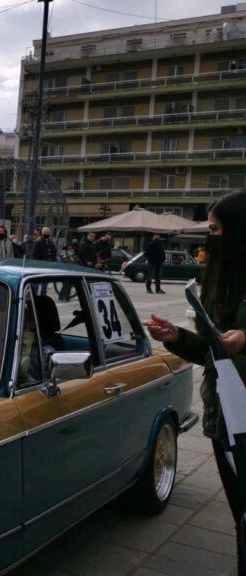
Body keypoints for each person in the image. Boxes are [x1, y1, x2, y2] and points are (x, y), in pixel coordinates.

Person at [143, 190, 246, 572]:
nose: (210, 237)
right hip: (226, 419)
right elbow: (211, 350)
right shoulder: (218, 279)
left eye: (216, 230)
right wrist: (177, 338)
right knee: (241, 516)